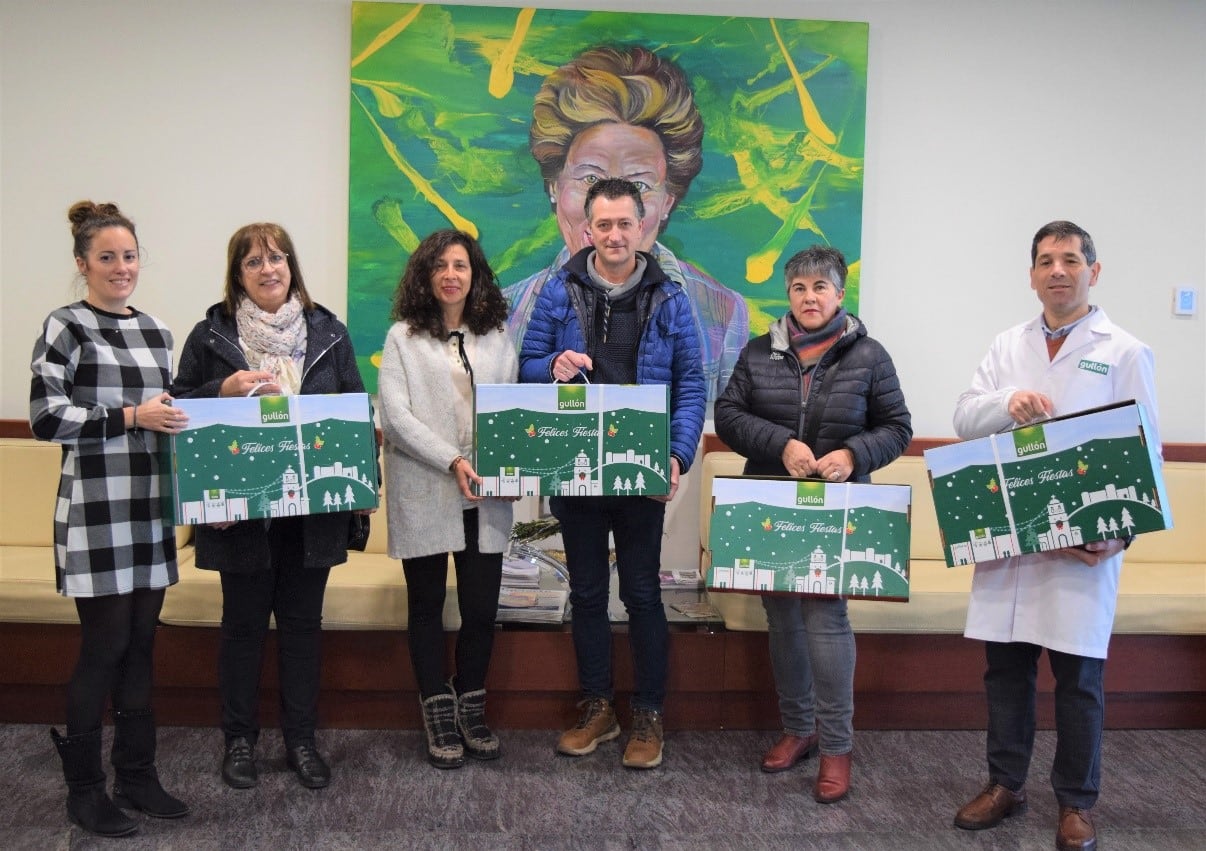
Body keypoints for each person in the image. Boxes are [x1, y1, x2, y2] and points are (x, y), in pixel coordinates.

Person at [951, 221, 1159, 851]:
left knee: (1079, 682)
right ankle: (1004, 783)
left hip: (1082, 551)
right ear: (1032, 274)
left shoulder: (1124, 351)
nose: (1058, 271)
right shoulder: (1007, 345)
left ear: (1094, 271)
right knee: (1006, 672)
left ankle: (1076, 802)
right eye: (1046, 261)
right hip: (1014, 540)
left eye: (1071, 260)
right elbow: (964, 416)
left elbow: (1141, 452)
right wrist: (1008, 400)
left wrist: (1118, 539)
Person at [173, 223, 372, 791]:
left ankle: (301, 741)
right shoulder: (210, 335)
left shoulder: (328, 331)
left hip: (311, 517)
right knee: (241, 628)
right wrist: (222, 392)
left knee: (304, 629)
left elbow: (355, 409)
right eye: (255, 261)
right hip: (241, 517)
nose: (269, 269)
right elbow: (180, 405)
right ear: (238, 273)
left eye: (278, 258)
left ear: (293, 267)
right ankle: (239, 742)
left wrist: (361, 482)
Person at [519, 177, 707, 769]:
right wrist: (552, 364)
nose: (615, 234)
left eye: (625, 223)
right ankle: (598, 707)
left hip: (642, 472)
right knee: (589, 593)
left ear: (643, 226)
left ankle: (649, 714)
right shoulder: (557, 290)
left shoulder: (671, 297)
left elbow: (692, 385)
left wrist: (676, 456)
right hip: (576, 469)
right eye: (604, 224)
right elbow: (523, 367)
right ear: (586, 230)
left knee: (644, 593)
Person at [714, 245, 912, 803]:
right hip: (771, 503)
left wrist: (852, 456)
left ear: (839, 293)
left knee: (826, 623)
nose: (808, 297)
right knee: (782, 621)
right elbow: (728, 416)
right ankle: (798, 729)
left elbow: (897, 426)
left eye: (819, 288)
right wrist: (782, 444)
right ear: (788, 293)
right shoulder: (757, 352)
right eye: (799, 288)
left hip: (838, 510)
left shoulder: (870, 356)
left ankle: (837, 747)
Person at [30, 201, 191, 837]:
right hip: (95, 512)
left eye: (129, 256)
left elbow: (171, 414)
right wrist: (129, 417)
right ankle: (86, 789)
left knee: (144, 646)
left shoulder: (157, 329)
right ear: (82, 264)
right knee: (105, 647)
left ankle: (138, 774)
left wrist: (222, 399)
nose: (121, 267)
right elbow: (46, 417)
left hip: (149, 509)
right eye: (107, 258)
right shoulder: (65, 326)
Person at [505, 44, 749, 404]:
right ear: (555, 187)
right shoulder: (505, 310)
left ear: (667, 202)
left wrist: (677, 456)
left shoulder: (723, 312)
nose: (611, 207)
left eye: (638, 185)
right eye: (590, 178)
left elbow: (715, 419)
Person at [377, 230, 518, 768]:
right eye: (439, 266)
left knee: (482, 609)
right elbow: (395, 415)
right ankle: (437, 709)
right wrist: (452, 459)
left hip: (485, 492)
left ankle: (471, 702)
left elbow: (510, 407)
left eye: (460, 265)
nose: (451, 274)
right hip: (427, 486)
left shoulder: (499, 337)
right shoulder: (401, 338)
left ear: (475, 274)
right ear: (425, 276)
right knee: (427, 606)